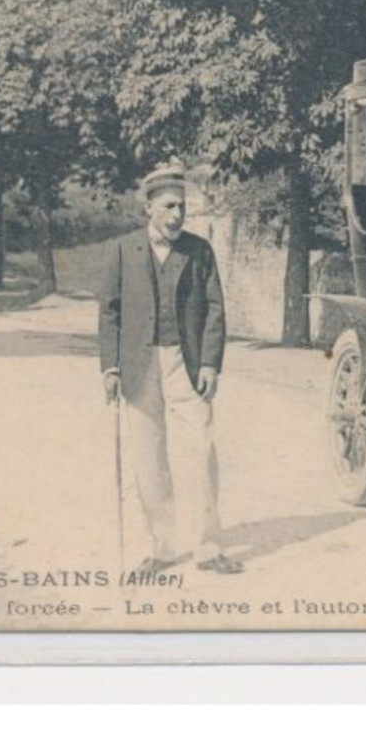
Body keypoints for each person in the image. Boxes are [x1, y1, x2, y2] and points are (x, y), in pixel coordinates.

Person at [97, 162, 241, 576]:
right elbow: (109, 312)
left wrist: (211, 362)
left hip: (187, 363)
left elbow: (215, 309)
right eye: (169, 207)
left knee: (201, 451)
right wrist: (110, 368)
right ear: (149, 209)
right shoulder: (124, 251)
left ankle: (209, 549)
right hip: (139, 365)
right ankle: (161, 548)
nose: (178, 215)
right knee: (148, 461)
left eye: (182, 207)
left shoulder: (199, 251)